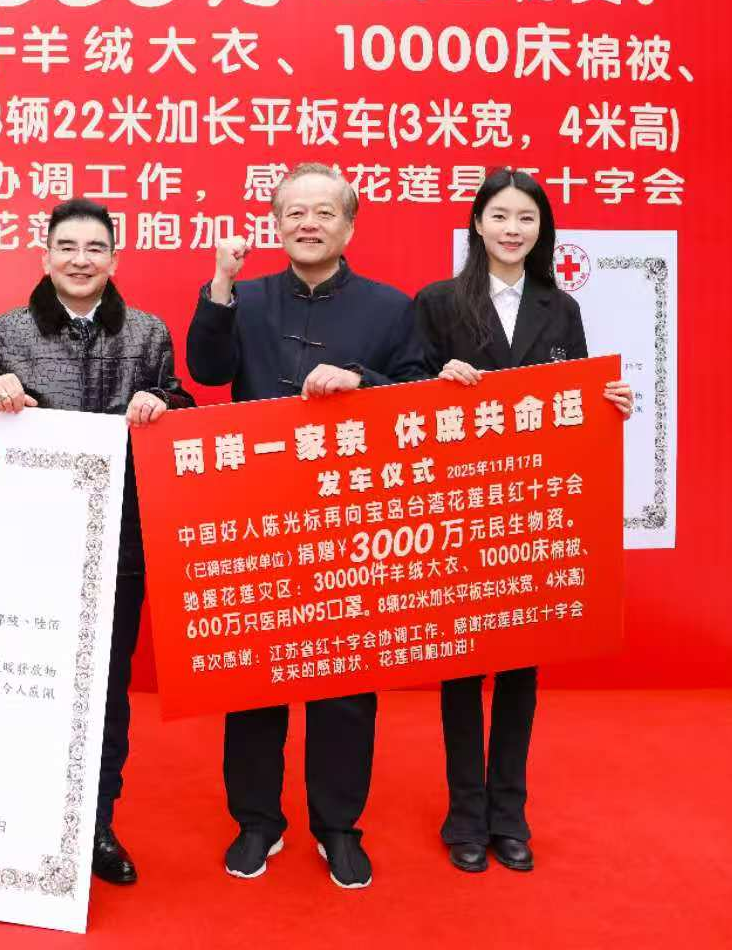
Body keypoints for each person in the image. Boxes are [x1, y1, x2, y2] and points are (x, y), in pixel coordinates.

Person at [186, 162, 428, 890]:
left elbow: (419, 393)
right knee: (253, 679)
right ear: (276, 223)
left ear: (348, 227)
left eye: (324, 212)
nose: (308, 223)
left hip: (348, 516)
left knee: (345, 684)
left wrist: (363, 383)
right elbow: (206, 370)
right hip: (258, 513)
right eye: (294, 212)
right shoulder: (245, 296)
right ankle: (257, 821)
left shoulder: (391, 307)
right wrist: (221, 284)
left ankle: (338, 826)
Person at [411, 168, 632, 876]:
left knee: (519, 671)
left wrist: (610, 402)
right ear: (477, 224)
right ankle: (463, 814)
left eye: (526, 218)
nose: (512, 229)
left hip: (531, 513)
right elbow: (401, 395)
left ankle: (509, 814)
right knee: (460, 672)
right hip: (458, 508)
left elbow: (574, 399)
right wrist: (433, 382)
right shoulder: (439, 302)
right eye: (500, 216)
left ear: (542, 231)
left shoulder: (559, 308)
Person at [0, 199, 195, 888]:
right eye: (66, 246)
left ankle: (95, 823)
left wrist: (164, 403)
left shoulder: (148, 333)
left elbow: (181, 405)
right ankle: (18, 818)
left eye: (94, 248)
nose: (79, 259)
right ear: (45, 257)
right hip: (28, 548)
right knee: (24, 681)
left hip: (119, 547)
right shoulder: (6, 332)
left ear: (114, 259)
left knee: (106, 691)